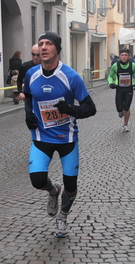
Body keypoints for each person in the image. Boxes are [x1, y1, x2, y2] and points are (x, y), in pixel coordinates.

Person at [23, 31, 96, 238]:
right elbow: (28, 95)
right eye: (40, 43)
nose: (43, 47)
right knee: (37, 180)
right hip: (41, 137)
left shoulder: (71, 76)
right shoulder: (32, 74)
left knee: (71, 186)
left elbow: (91, 108)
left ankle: (62, 217)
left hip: (67, 139)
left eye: (48, 43)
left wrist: (71, 109)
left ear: (57, 49)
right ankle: (53, 190)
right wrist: (28, 113)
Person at [108, 49, 135, 132]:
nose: (124, 57)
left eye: (125, 55)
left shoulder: (133, 66)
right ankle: (120, 110)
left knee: (127, 107)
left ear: (128, 56)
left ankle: (125, 124)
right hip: (119, 89)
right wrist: (110, 83)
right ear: (120, 56)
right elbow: (110, 76)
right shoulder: (115, 66)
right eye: (122, 55)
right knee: (119, 108)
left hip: (129, 89)